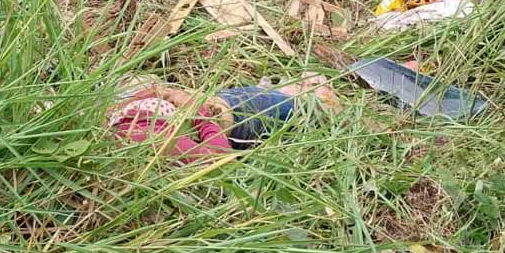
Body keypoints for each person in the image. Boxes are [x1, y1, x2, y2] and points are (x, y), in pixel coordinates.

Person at [107, 73, 340, 158]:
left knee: (275, 92)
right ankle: (319, 94)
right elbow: (216, 155)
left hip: (222, 100)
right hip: (244, 118)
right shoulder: (148, 137)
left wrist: (169, 93)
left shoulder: (115, 116)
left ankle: (299, 85)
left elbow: (154, 91)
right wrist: (200, 113)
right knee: (309, 102)